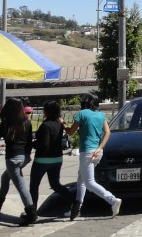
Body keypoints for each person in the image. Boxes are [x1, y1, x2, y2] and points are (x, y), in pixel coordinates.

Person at [0, 98, 37, 225]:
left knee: (21, 186)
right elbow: (29, 143)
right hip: (24, 158)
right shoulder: (27, 123)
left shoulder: (5, 124)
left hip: (12, 159)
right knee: (5, 178)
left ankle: (32, 214)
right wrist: (27, 157)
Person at [66, 93, 121, 221]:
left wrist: (62, 123)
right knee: (81, 179)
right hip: (97, 151)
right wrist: (100, 148)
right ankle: (76, 207)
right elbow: (107, 132)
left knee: (89, 182)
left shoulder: (82, 113)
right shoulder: (101, 115)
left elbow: (70, 131)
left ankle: (112, 200)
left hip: (87, 152)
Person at [29, 100, 73, 214]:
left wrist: (32, 144)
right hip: (57, 159)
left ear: (46, 111)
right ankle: (73, 201)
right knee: (55, 184)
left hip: (43, 160)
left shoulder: (45, 125)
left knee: (34, 185)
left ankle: (32, 211)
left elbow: (44, 144)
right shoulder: (59, 124)